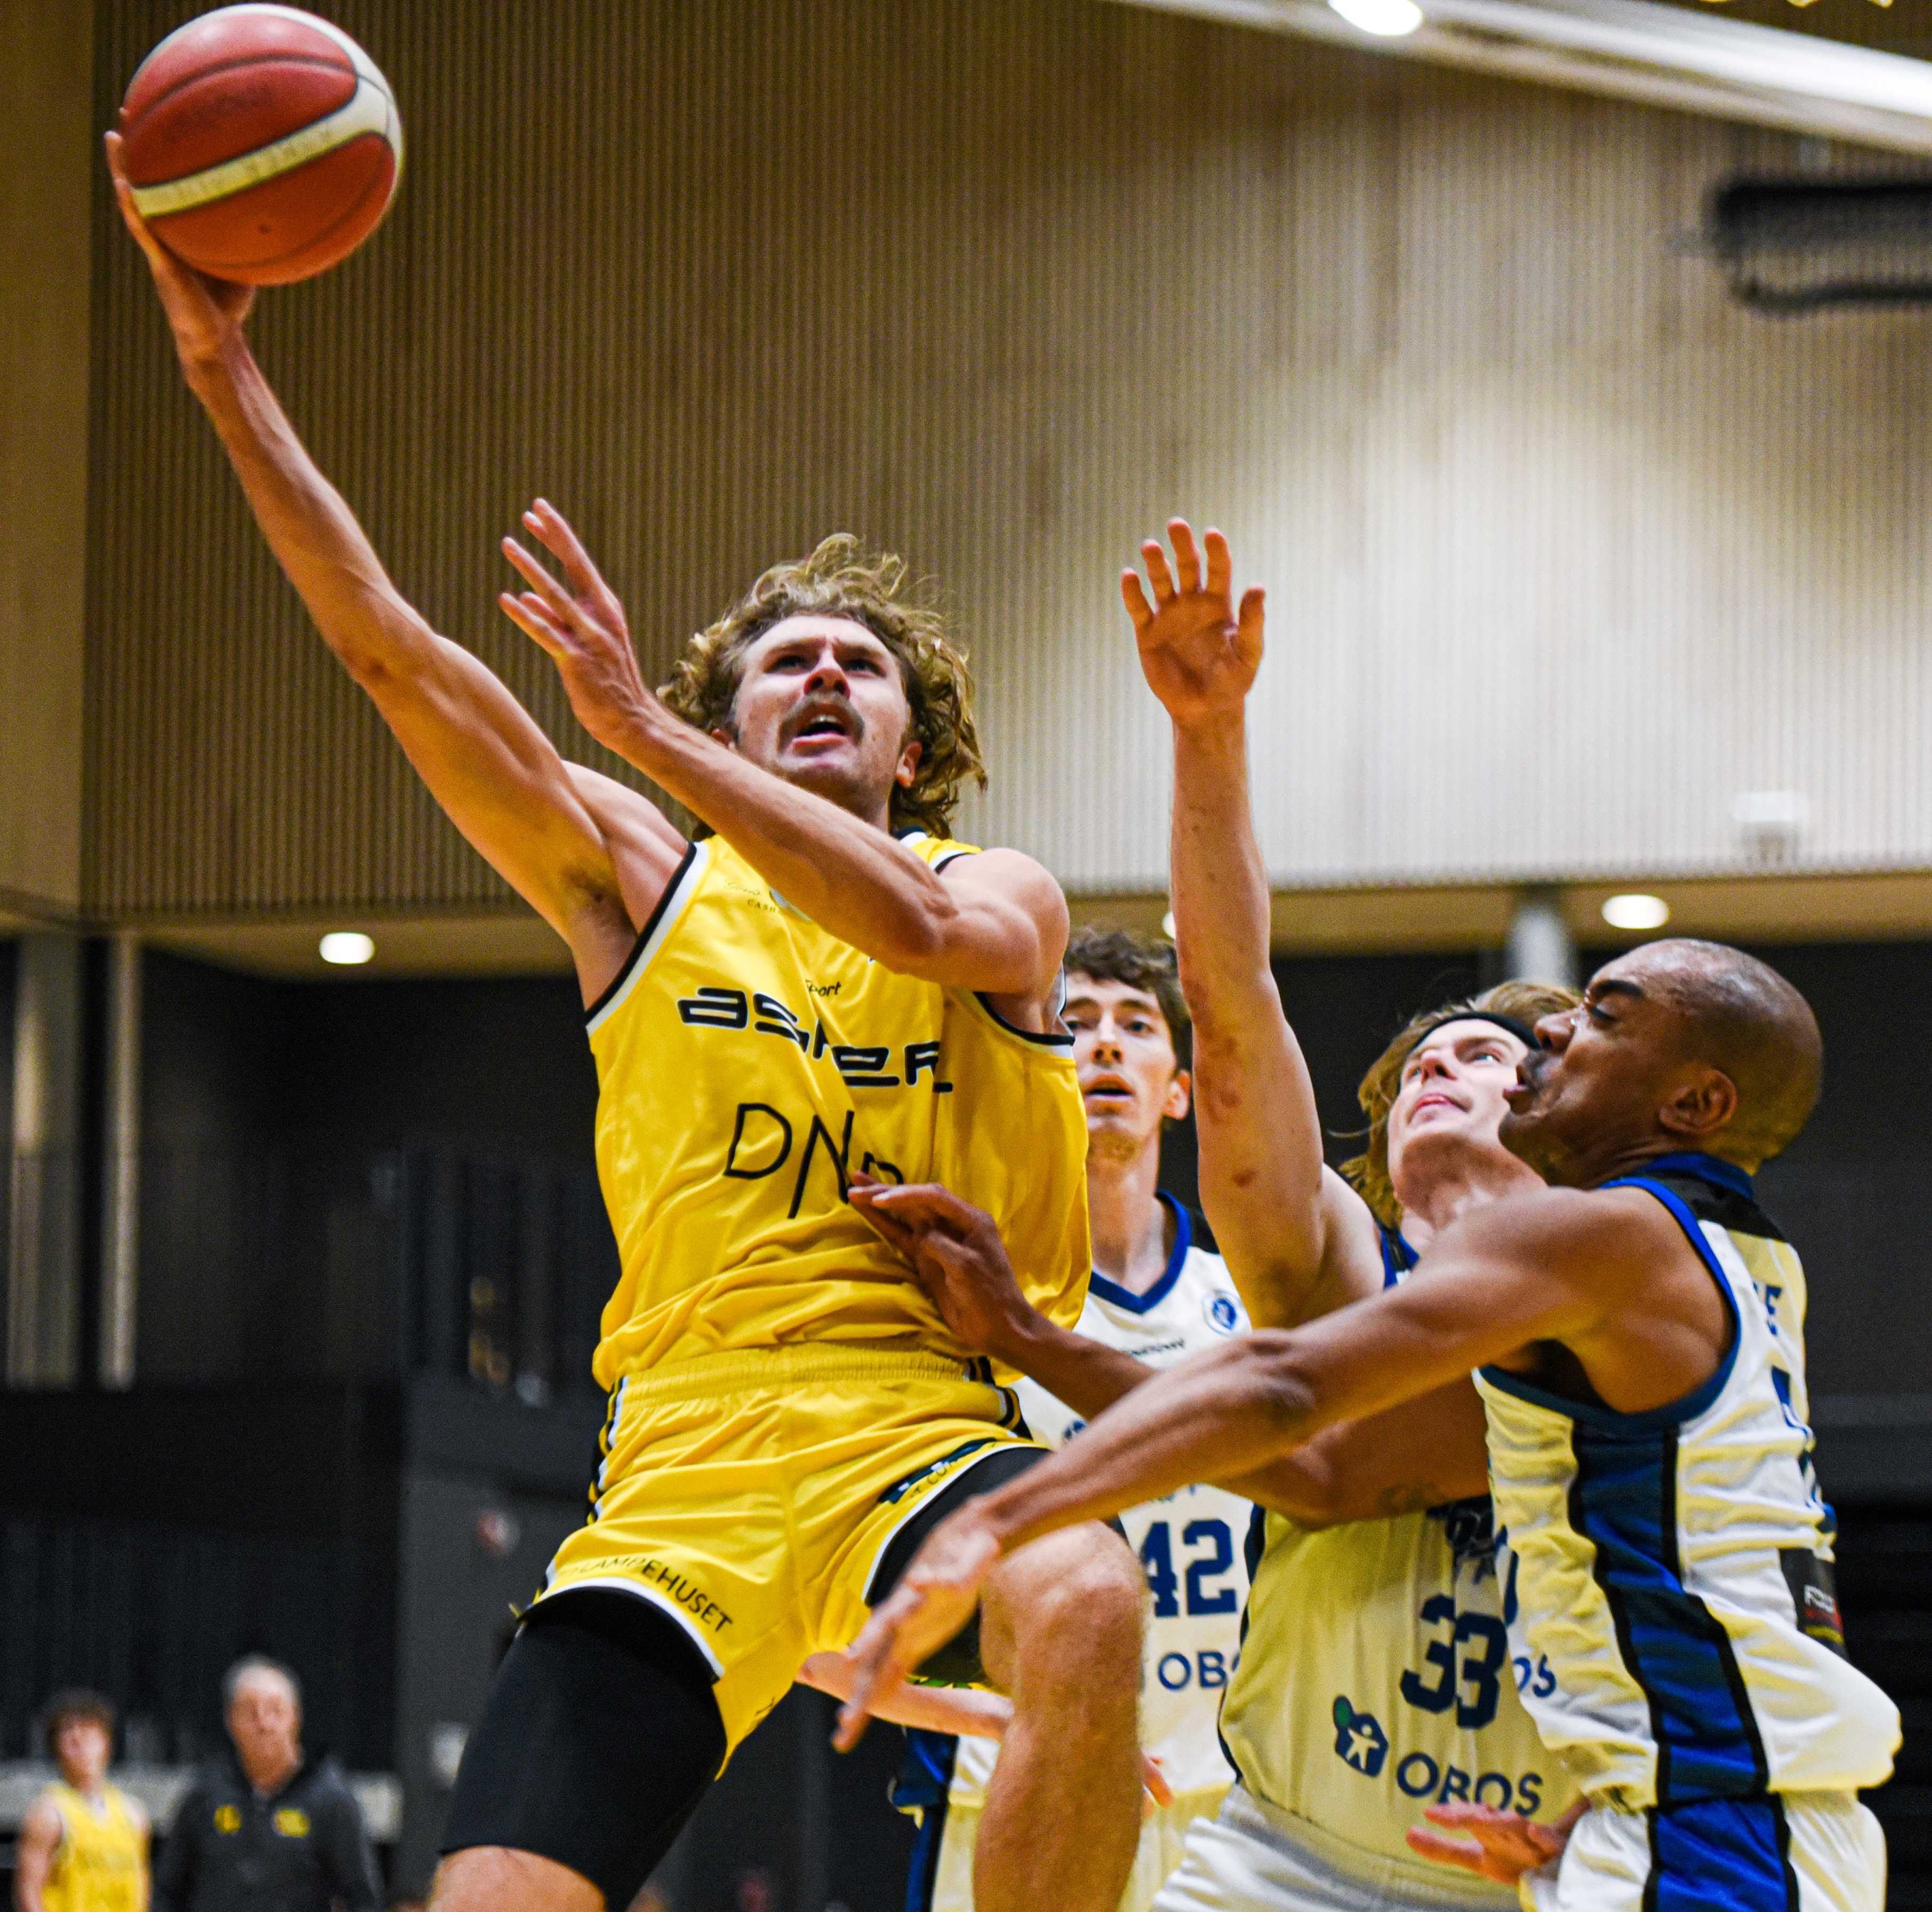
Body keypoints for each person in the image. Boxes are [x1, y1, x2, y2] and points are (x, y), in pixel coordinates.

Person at [107, 140, 1143, 1912]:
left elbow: (905, 919)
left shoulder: (1009, 894)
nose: (822, 673)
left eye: (859, 666)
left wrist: (661, 740)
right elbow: (392, 651)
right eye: (783, 661)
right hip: (686, 1457)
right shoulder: (640, 877)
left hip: (919, 1421)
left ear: (915, 743)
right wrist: (227, 379)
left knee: (1091, 1591)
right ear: (731, 712)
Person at [840, 530, 1903, 1912]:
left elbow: (1300, 1427)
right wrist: (1208, 739)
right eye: (1420, 1062)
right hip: (1305, 1844)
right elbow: (1234, 1034)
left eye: (1501, 1048)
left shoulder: (1597, 1257)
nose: (1457, 1070)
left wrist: (999, 1505)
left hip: (1590, 1842)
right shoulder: (1380, 1269)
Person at [884, 927, 1255, 1912]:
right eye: (1075, 1023)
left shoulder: (1251, 1303)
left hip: (1240, 1806)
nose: (1102, 1046)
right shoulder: (964, 1304)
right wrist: (958, 1710)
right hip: (1015, 1796)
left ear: (1178, 1085)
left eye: (1135, 1026)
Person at [154, 1658, 380, 1912]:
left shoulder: (331, 1800)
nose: (263, 1724)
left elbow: (362, 1898)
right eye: (250, 1712)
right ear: (230, 1721)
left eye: (275, 1710)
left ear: (295, 1716)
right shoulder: (205, 1795)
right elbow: (167, 1891)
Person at [14, 1691, 149, 1912]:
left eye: (88, 1734)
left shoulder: (132, 1813)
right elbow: (29, 1892)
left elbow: (142, 1889)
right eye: (70, 1738)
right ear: (56, 1748)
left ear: (106, 1741)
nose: (80, 1744)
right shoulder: (49, 1813)